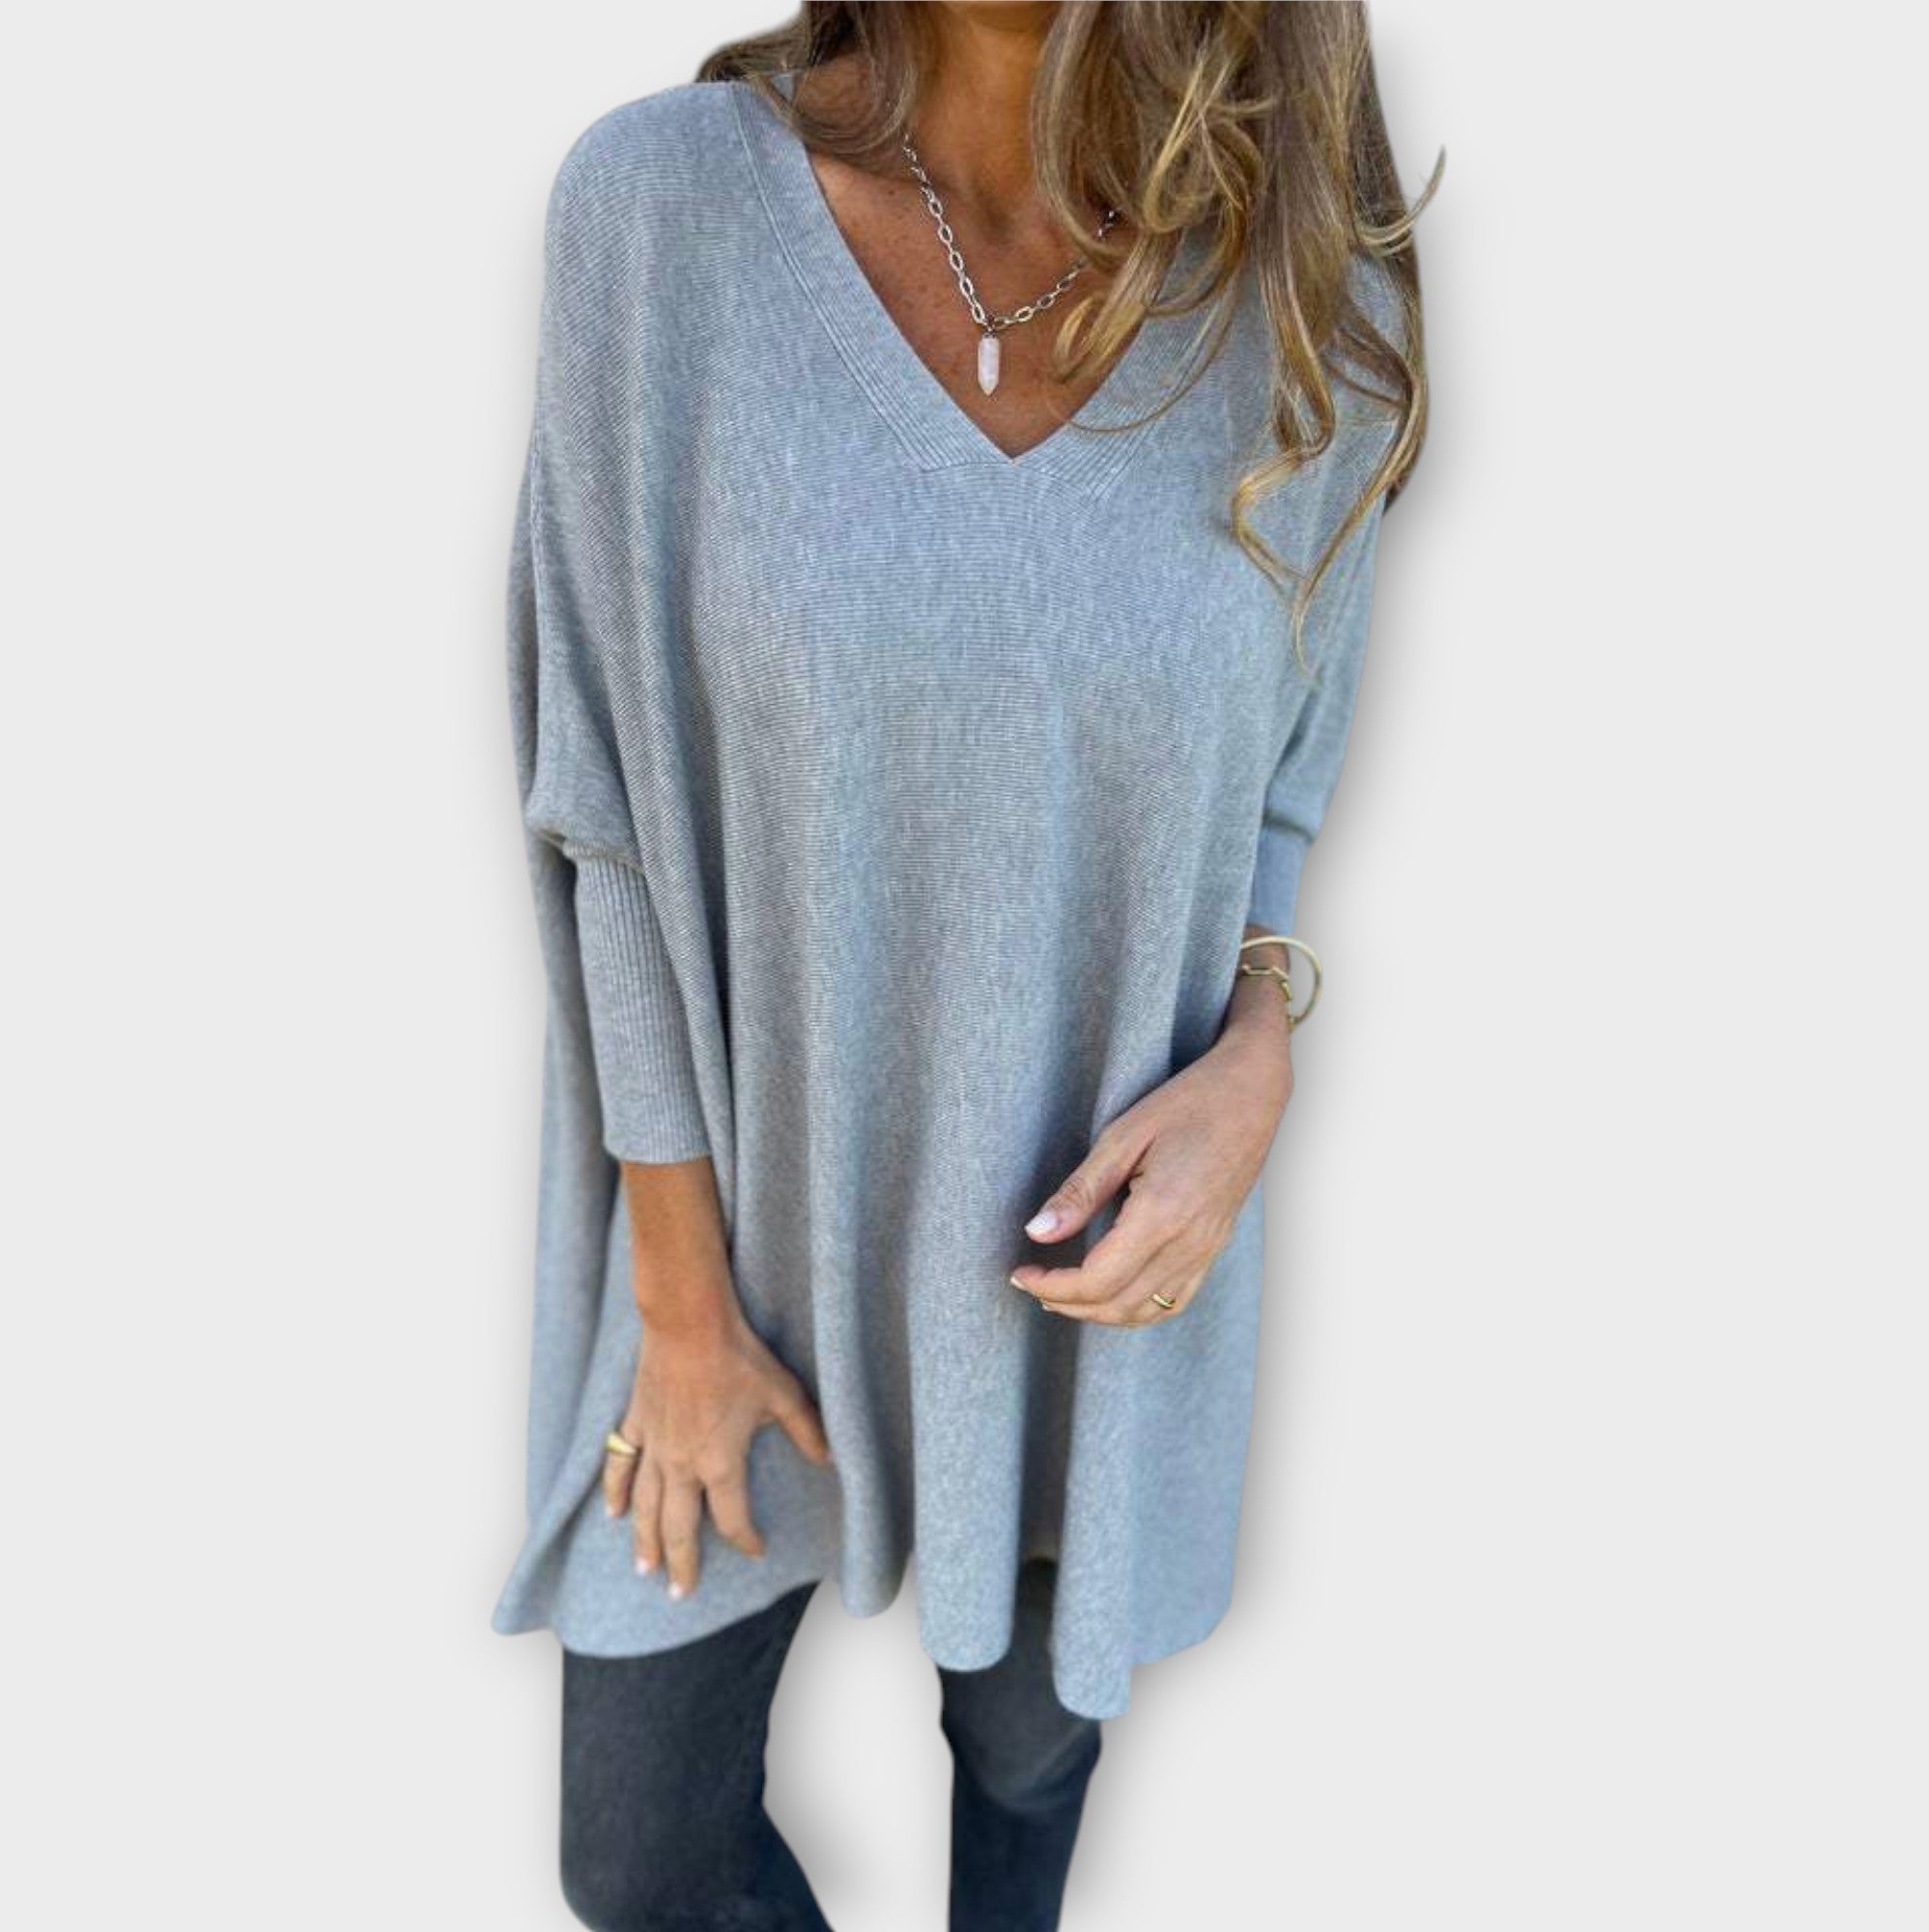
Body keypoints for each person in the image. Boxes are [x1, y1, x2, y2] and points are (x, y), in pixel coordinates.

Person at [493, 5, 1432, 1926]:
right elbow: (604, 802)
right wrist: (678, 1304)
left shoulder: (1306, 301)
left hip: (1086, 1274)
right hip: (723, 1262)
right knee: (642, 1861)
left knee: (1024, 1771)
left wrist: (1262, 1051)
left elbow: (1272, 803)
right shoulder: (662, 216)